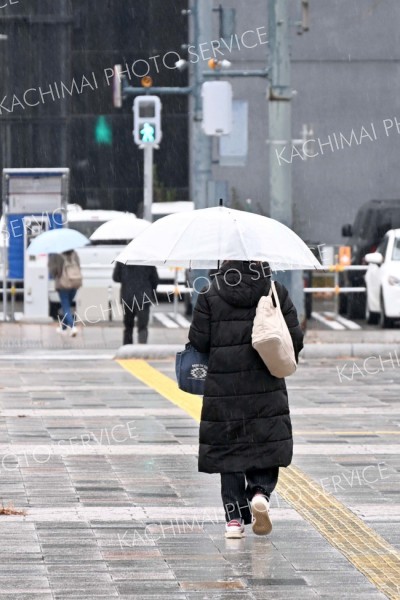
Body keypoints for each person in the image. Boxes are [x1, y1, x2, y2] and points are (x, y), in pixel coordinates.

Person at [188, 260, 304, 539]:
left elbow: (199, 341)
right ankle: (260, 491)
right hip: (266, 384)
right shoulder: (275, 290)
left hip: (224, 387)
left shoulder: (210, 293)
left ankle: (233, 520)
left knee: (229, 452)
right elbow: (294, 338)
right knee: (264, 440)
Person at [112, 262, 159, 345]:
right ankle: (142, 347)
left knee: (128, 327)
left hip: (127, 296)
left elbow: (115, 277)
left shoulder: (123, 260)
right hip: (143, 297)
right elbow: (155, 279)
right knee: (143, 327)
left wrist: (126, 278)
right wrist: (152, 292)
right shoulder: (148, 260)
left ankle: (127, 349)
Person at [49, 250, 82, 337]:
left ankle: (73, 327)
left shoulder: (56, 255)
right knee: (66, 306)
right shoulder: (75, 254)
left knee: (66, 307)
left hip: (63, 284)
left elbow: (53, 271)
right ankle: (63, 327)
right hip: (74, 283)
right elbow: (79, 267)